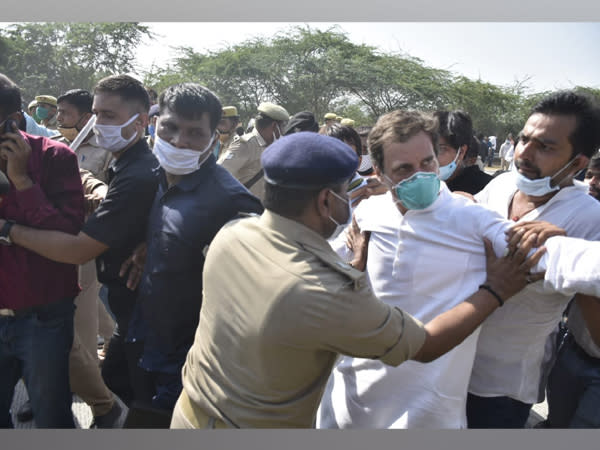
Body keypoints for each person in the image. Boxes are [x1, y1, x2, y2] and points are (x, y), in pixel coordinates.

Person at [169, 131, 544, 429]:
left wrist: (353, 271)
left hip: (190, 412)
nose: (359, 195)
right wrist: (496, 290)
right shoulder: (322, 290)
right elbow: (425, 345)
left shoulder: (234, 233)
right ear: (326, 202)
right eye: (349, 188)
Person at [317, 110, 532, 429]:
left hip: (425, 414)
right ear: (379, 171)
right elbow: (318, 266)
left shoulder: (472, 220)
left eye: (428, 163)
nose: (421, 175)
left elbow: (556, 259)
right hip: (348, 403)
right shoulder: (368, 214)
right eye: (404, 169)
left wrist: (541, 245)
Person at [0, 74, 160, 410]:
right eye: (96, 114)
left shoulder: (132, 173)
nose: (97, 124)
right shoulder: (123, 164)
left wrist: (10, 223)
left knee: (113, 389)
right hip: (122, 299)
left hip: (125, 307)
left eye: (108, 116)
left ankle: (108, 412)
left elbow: (74, 247)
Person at [122, 83, 263, 417]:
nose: (178, 141)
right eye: (170, 128)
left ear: (214, 139)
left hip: (190, 355)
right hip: (146, 333)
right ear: (154, 124)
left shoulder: (232, 201)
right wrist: (151, 246)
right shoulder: (158, 176)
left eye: (194, 133)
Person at [466, 90, 600, 428]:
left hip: (502, 386)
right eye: (525, 139)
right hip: (453, 360)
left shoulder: (589, 219)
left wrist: (566, 256)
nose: (524, 152)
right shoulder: (502, 184)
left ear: (579, 163)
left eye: (545, 146)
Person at [0, 73, 85, 428]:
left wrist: (22, 182)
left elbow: (66, 235)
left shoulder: (55, 157)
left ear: (12, 119)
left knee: (51, 416)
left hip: (43, 316)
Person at [218, 102, 289, 201]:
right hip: (244, 212)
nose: (283, 132)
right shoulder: (245, 145)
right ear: (274, 126)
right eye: (282, 127)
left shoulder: (272, 146)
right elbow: (218, 173)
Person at [434, 110, 492, 195]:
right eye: (425, 148)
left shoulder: (487, 190)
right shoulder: (422, 187)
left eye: (440, 149)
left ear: (461, 152)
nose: (430, 156)